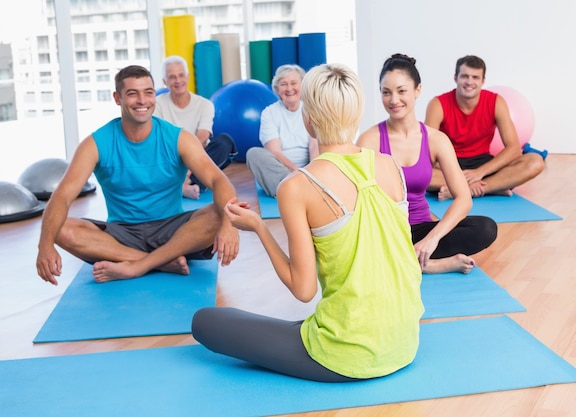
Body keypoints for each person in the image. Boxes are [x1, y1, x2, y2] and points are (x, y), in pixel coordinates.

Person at [192, 63, 424, 382]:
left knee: (205, 321)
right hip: (405, 343)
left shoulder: (297, 187)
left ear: (308, 119)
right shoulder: (390, 165)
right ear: (356, 115)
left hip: (346, 355)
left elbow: (303, 290)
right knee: (294, 325)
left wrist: (259, 227)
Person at [35, 65, 240, 285]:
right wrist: (44, 245)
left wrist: (228, 225)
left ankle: (138, 266)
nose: (142, 100)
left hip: (174, 231)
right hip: (121, 235)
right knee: (59, 228)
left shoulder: (179, 138)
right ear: (117, 98)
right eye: (132, 93)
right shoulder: (95, 144)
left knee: (221, 213)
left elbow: (219, 181)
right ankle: (159, 262)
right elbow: (63, 196)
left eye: (148, 92)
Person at [358, 54, 497, 274]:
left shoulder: (435, 140)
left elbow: (463, 198)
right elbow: (361, 203)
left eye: (401, 91)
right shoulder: (369, 140)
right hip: (385, 232)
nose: (394, 100)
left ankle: (409, 259)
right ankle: (432, 265)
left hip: (421, 229)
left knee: (485, 228)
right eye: (386, 92)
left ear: (417, 90)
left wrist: (432, 239)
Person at [425, 55, 545, 201]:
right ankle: (495, 187)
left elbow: (513, 149)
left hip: (483, 164)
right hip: (449, 164)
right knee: (413, 172)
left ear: (483, 81)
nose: (469, 82)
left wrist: (479, 172)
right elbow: (428, 148)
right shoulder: (438, 104)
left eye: (475, 77)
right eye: (464, 76)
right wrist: (448, 170)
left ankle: (468, 190)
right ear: (455, 78)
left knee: (535, 162)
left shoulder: (496, 102)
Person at [155, 55, 237, 200]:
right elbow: (158, 140)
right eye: (172, 77)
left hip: (197, 157)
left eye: (181, 75)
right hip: (170, 158)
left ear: (187, 77)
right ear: (165, 82)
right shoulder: (158, 104)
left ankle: (182, 185)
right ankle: (186, 185)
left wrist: (188, 167)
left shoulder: (205, 104)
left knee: (225, 142)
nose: (178, 81)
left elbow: (203, 136)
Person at [246, 64, 319, 197]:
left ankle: (298, 188)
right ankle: (298, 188)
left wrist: (311, 172)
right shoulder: (269, 113)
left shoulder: (311, 109)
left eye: (293, 83)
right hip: (281, 170)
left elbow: (314, 147)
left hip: (309, 168)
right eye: (284, 84)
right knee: (253, 154)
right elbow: (275, 151)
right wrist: (296, 172)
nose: (289, 88)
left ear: (302, 85)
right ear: (277, 89)